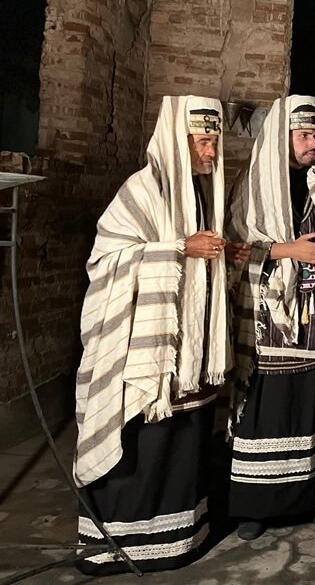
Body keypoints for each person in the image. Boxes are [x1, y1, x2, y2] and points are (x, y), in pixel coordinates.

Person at [73, 96, 229, 574]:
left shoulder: (204, 192)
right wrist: (179, 248)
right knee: (144, 443)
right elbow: (106, 260)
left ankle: (176, 541)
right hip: (148, 356)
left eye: (215, 142)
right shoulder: (143, 188)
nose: (211, 152)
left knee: (182, 447)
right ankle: (116, 545)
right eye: (202, 142)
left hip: (189, 350)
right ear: (177, 141)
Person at [227, 95, 315, 541]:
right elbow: (233, 248)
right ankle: (255, 505)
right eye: (304, 135)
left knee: (313, 401)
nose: (313, 143)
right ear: (282, 137)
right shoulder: (253, 184)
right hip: (268, 316)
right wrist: (286, 250)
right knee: (265, 406)